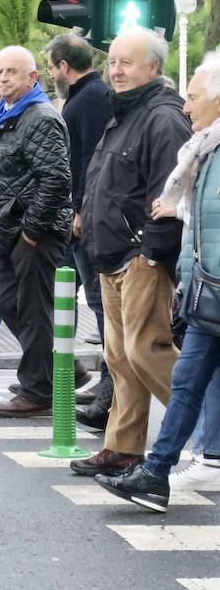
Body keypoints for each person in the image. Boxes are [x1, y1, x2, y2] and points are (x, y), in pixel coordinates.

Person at [97, 51, 220, 510]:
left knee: (166, 366)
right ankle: (155, 473)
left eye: (193, 97)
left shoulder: (198, 143)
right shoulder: (204, 149)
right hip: (208, 293)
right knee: (185, 381)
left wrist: (159, 241)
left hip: (209, 287)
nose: (187, 107)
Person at [72, 29, 191, 478]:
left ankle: (208, 434)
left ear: (153, 69)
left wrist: (152, 253)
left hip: (142, 255)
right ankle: (122, 447)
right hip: (112, 252)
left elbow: (170, 190)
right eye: (113, 62)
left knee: (147, 351)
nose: (115, 71)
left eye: (127, 63)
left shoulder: (162, 117)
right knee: (120, 358)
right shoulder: (123, 112)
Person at [0, 47, 73, 418]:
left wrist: (32, 230)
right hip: (11, 229)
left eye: (11, 72)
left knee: (30, 309)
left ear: (33, 79)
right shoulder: (11, 115)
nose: (1, 78)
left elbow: (57, 180)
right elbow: (8, 172)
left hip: (34, 233)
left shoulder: (40, 117)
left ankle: (37, 390)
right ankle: (56, 368)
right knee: (11, 303)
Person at [45, 32, 115, 427]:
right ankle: (69, 377)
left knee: (98, 303)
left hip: (81, 220)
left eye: (52, 67)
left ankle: (108, 392)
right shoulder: (87, 96)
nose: (52, 73)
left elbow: (91, 157)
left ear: (64, 67)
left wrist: (80, 208)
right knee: (66, 299)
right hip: (75, 218)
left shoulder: (89, 98)